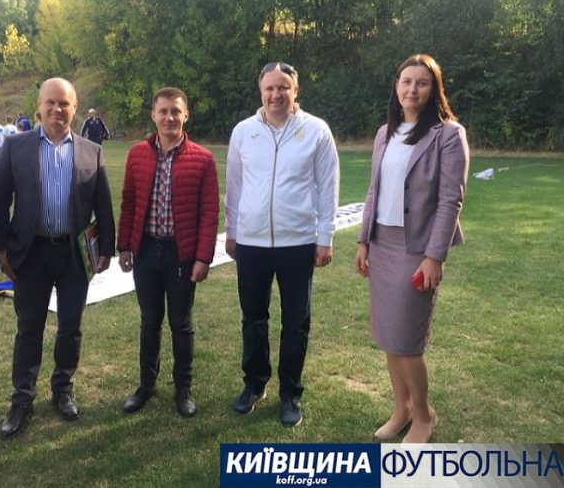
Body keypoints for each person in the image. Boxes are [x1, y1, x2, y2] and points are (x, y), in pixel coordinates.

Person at [0, 77, 116, 439]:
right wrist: (2, 251)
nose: (57, 109)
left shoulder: (91, 151)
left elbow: (103, 206)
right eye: (50, 102)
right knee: (29, 328)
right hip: (31, 254)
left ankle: (62, 389)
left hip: (74, 254)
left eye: (64, 103)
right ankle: (22, 399)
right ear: (39, 106)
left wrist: (106, 249)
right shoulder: (15, 147)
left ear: (74, 107)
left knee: (71, 326)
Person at [354, 54, 469, 443]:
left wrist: (434, 256)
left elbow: (450, 200)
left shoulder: (448, 134)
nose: (412, 89)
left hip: (417, 249)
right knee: (389, 337)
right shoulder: (385, 133)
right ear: (396, 86)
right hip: (381, 245)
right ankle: (401, 408)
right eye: (406, 81)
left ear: (434, 89)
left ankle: (423, 415)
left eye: (422, 83)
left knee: (407, 342)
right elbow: (374, 191)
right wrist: (363, 241)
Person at [225, 62, 339, 427]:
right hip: (252, 242)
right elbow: (235, 186)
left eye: (283, 87)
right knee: (253, 319)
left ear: (296, 90)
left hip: (298, 242)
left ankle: (290, 391)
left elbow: (328, 187)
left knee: (296, 322)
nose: (276, 94)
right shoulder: (244, 131)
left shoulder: (316, 130)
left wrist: (325, 237)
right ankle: (254, 383)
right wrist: (232, 231)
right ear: (260, 91)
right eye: (270, 88)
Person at [117, 87, 219, 418]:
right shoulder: (137, 154)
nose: (169, 117)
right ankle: (146, 385)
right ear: (154, 115)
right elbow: (129, 202)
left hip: (181, 254)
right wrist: (124, 246)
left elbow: (209, 213)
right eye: (163, 111)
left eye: (176, 111)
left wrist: (203, 257)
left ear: (185, 115)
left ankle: (183, 389)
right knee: (150, 321)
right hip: (146, 251)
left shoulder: (202, 159)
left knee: (181, 323)